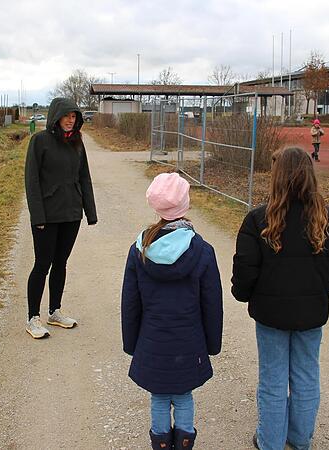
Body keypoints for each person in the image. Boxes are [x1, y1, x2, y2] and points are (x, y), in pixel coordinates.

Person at [231, 147, 329, 450]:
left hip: (271, 316)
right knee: (306, 375)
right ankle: (299, 439)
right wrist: (321, 291)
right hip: (310, 314)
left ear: (276, 177)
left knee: (272, 379)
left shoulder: (259, 219)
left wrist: (244, 295)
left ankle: (270, 441)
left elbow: (245, 270)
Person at [121, 172, 223, 450]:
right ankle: (185, 443)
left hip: (152, 341)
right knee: (184, 396)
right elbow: (212, 303)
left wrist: (132, 344)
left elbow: (130, 303)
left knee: (159, 397)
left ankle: (162, 445)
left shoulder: (140, 249)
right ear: (185, 205)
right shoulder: (202, 251)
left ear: (155, 206)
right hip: (189, 341)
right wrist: (212, 344)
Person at [24, 97, 97, 339]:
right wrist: (37, 215)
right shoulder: (40, 141)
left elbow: (84, 178)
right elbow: (32, 181)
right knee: (42, 264)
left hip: (71, 214)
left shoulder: (77, 143)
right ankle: (33, 318)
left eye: (74, 117)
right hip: (47, 215)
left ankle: (54, 312)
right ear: (56, 116)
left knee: (61, 263)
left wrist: (90, 212)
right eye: (66, 116)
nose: (70, 120)